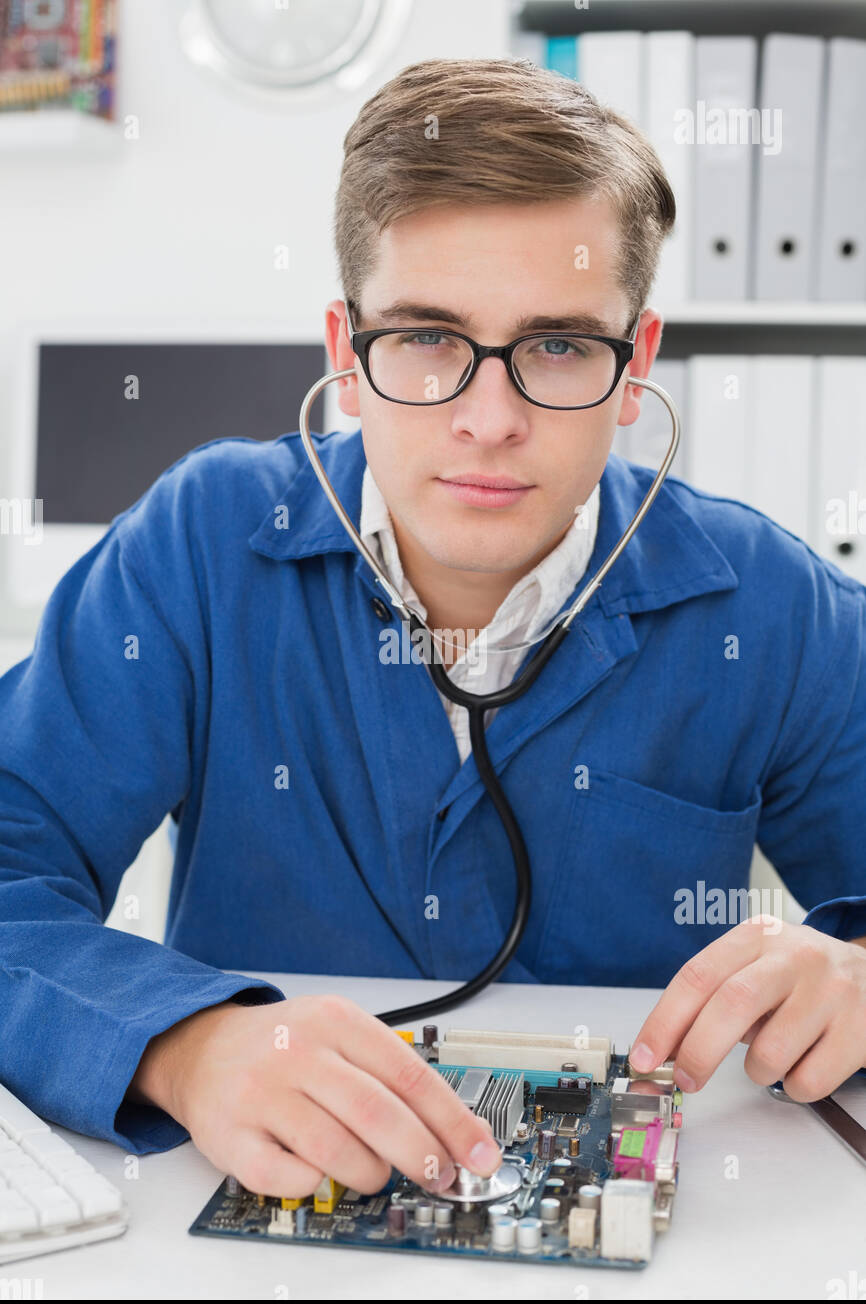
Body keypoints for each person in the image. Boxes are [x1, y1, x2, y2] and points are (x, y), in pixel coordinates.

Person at [1, 58, 864, 1203]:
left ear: (634, 364)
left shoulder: (768, 604)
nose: (488, 418)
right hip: (258, 1220)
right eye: (425, 338)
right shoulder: (197, 546)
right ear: (345, 354)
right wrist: (180, 1043)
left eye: (557, 345)